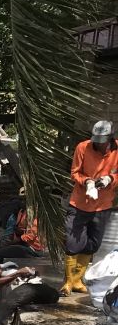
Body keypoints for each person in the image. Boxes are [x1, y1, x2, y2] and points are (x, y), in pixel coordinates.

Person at [63, 120, 118, 294]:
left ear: (110, 138)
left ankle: (78, 280)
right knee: (73, 242)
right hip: (80, 202)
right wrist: (87, 182)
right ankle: (68, 282)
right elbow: (75, 172)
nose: (98, 144)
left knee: (93, 243)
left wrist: (110, 179)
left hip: (103, 205)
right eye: (96, 140)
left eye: (102, 141)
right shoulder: (83, 147)